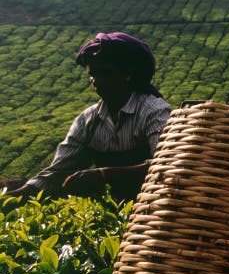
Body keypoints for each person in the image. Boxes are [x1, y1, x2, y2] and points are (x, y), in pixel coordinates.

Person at [2, 32, 171, 201]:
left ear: (127, 73)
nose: (95, 81)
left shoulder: (153, 111)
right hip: (115, 212)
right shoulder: (87, 121)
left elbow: (165, 167)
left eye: (104, 72)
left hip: (157, 206)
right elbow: (56, 173)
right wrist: (12, 197)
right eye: (92, 74)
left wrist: (104, 176)